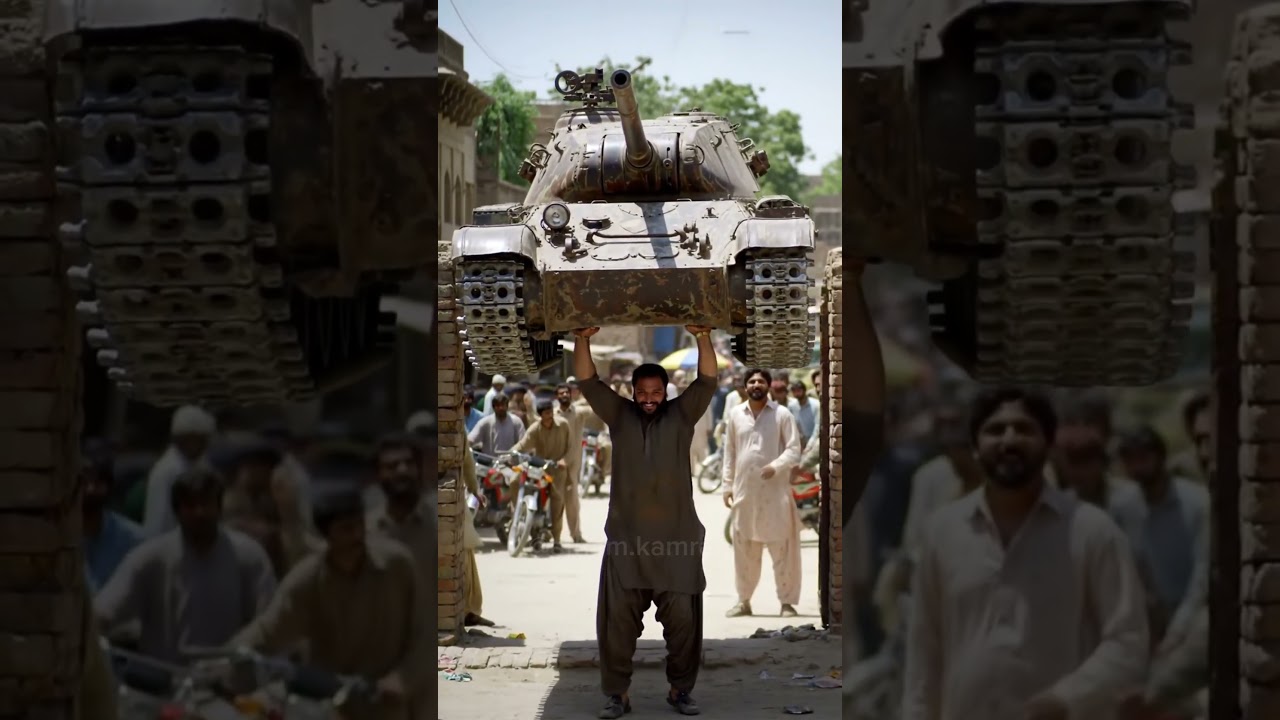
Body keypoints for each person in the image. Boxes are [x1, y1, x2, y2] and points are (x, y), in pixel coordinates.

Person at [902, 386, 1149, 720]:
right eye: (995, 430)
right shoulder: (942, 533)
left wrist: (1063, 701)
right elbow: (924, 656)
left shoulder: (1092, 532)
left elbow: (1128, 642)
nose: (1009, 440)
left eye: (1024, 429)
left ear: (1048, 445)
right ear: (975, 447)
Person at [573, 324, 718, 718]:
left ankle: (680, 691)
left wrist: (702, 335)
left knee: (684, 625)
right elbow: (586, 379)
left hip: (677, 543)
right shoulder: (619, 416)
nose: (650, 399)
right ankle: (617, 694)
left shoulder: (682, 414)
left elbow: (708, 379)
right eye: (643, 393)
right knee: (617, 624)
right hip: (627, 544)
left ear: (666, 392)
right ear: (633, 393)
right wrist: (582, 338)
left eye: (657, 392)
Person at [231, 490, 434, 720]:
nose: (357, 535)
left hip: (386, 706)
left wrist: (403, 678)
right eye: (346, 529)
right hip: (333, 707)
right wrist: (225, 659)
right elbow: (268, 631)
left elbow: (426, 632)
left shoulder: (397, 566)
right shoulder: (308, 581)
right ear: (327, 535)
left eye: (359, 526)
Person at [96, 465, 277, 664]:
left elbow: (269, 622)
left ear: (219, 506)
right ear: (178, 511)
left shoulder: (249, 556)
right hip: (166, 678)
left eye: (206, 503)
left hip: (229, 674)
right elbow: (105, 611)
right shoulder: (150, 557)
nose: (200, 513)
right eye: (190, 505)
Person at [1112, 428, 1209, 656]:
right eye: (1130, 461)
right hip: (1147, 618)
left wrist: (1177, 632)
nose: (1137, 468)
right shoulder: (1122, 506)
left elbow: (1201, 578)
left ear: (1160, 458)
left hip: (1194, 616)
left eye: (1143, 458)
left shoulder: (1197, 503)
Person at [721, 368, 803, 618]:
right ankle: (743, 601)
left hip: (776, 495)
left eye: (761, 381)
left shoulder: (782, 414)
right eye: (752, 381)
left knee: (783, 551)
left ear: (768, 386)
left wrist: (775, 466)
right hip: (746, 493)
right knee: (744, 552)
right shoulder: (735, 415)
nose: (756, 384)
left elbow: (794, 450)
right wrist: (727, 485)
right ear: (745, 387)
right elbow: (730, 452)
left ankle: (787, 603)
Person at [221, 438, 320, 577]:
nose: (261, 472)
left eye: (266, 467)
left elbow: (295, 530)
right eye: (252, 466)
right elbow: (228, 528)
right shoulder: (230, 497)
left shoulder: (275, 494)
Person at [82, 438, 146, 591]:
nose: (90, 489)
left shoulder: (132, 540)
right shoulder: (55, 540)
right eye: (84, 482)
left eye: (98, 483)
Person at [510, 400, 574, 552]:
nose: (550, 415)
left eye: (551, 412)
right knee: (517, 482)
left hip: (558, 470)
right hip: (540, 469)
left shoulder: (563, 425)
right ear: (540, 415)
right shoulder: (535, 429)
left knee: (557, 503)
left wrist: (564, 460)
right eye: (546, 413)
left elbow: (571, 446)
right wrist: (512, 453)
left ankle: (557, 540)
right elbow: (523, 444)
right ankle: (523, 522)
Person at [142, 405, 216, 535]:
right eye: (198, 439)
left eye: (205, 439)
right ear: (180, 439)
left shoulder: (201, 464)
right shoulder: (167, 471)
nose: (204, 445)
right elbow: (160, 521)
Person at [554, 383, 588, 543]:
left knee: (572, 500)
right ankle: (552, 534)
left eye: (567, 393)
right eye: (561, 393)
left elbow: (594, 409)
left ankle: (576, 534)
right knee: (554, 499)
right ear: (557, 396)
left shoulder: (578, 413)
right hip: (556, 463)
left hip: (572, 464)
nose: (565, 395)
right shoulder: (553, 414)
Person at [786, 381, 821, 449]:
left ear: (804, 390)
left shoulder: (816, 404)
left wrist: (810, 445)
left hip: (815, 442)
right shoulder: (792, 406)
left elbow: (817, 426)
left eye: (798, 390)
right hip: (799, 443)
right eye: (794, 391)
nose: (797, 393)